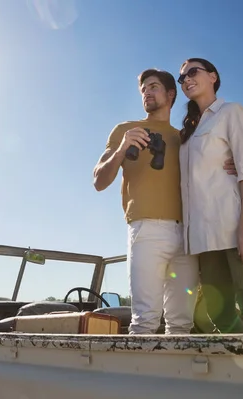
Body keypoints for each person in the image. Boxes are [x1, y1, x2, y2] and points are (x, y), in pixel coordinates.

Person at [93, 68, 235, 335]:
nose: (147, 91)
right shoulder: (125, 130)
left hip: (188, 235)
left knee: (182, 323)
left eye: (154, 86)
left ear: (171, 94)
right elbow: (99, 181)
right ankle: (138, 377)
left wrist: (234, 164)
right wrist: (123, 148)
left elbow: (210, 169)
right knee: (145, 319)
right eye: (144, 88)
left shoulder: (185, 137)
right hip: (146, 230)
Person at [177, 58, 243, 333]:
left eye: (192, 72)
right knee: (218, 314)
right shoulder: (187, 133)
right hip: (205, 240)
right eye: (182, 77)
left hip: (238, 230)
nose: (186, 79)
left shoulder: (231, 112)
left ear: (213, 76)